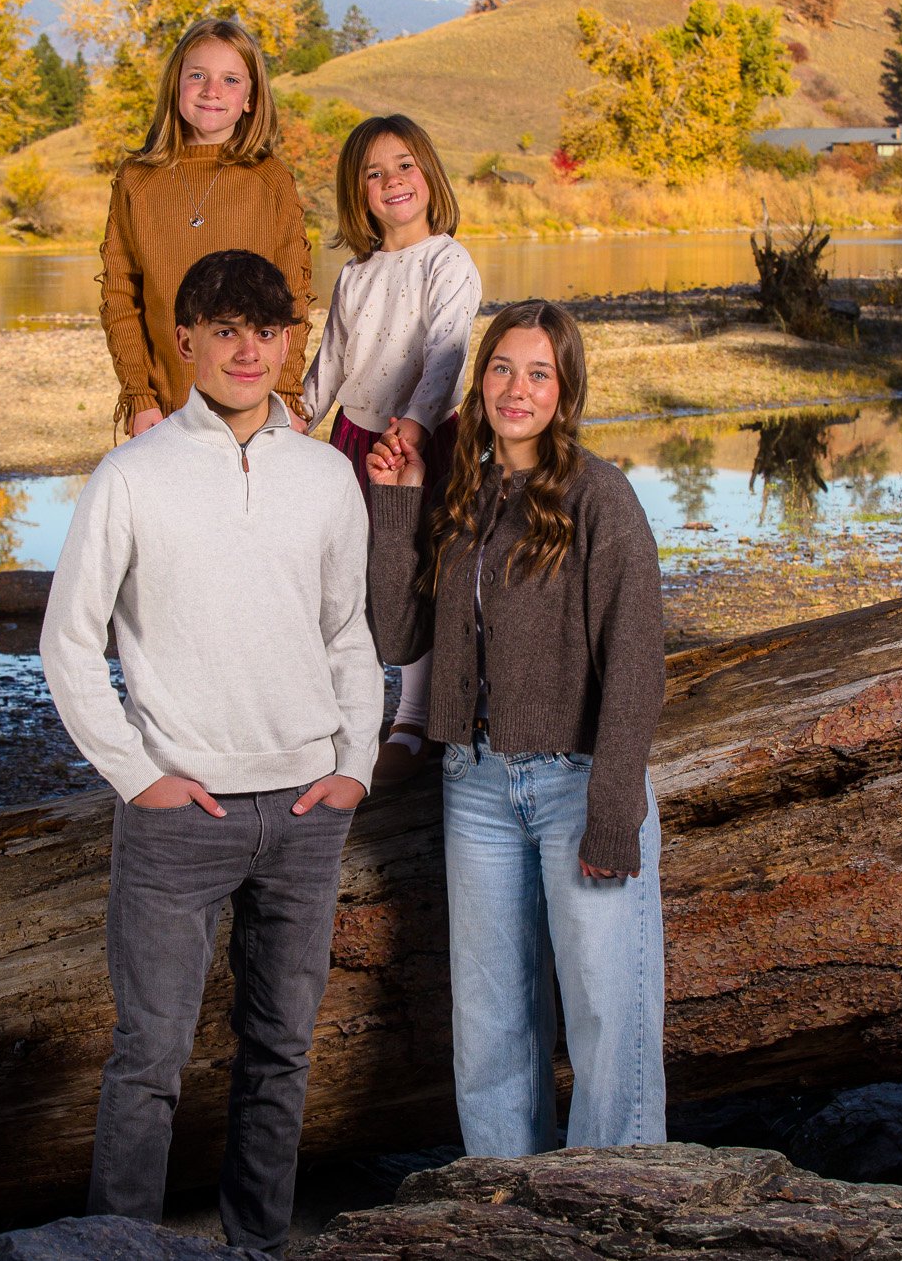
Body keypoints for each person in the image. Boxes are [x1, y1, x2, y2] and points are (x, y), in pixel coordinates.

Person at [40, 249, 381, 1255]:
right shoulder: (131, 477)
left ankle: (255, 1244)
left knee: (278, 1052)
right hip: (179, 819)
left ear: (288, 344)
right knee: (147, 1057)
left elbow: (346, 634)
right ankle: (117, 1247)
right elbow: (68, 641)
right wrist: (136, 775)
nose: (246, 350)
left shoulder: (324, 478)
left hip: (304, 813)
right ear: (183, 340)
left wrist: (354, 760)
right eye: (224, 330)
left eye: (266, 332)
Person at [363, 298, 668, 1158]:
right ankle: (503, 1210)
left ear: (566, 388)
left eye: (539, 372)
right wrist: (395, 510)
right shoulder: (464, 489)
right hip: (477, 785)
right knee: (492, 1023)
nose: (516, 388)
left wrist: (614, 811)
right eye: (501, 368)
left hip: (579, 784)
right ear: (481, 380)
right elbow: (399, 637)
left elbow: (638, 663)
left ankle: (621, 1207)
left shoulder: (602, 497)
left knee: (609, 1016)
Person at [302, 114, 482, 788]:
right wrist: (294, 420)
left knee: (416, 568)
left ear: (429, 172)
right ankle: (356, 710)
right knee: (353, 573)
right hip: (354, 437)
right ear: (359, 192)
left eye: (404, 164)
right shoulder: (356, 273)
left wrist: (413, 425)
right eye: (373, 173)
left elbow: (447, 352)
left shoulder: (447, 261)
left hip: (424, 440)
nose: (392, 181)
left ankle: (414, 714)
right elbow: (332, 361)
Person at [99, 18, 312, 439]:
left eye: (230, 79)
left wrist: (285, 394)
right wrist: (140, 397)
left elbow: (293, 297)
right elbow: (120, 296)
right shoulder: (136, 180)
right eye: (197, 75)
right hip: (166, 410)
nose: (212, 90)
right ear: (175, 85)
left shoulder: (270, 179)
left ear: (250, 98)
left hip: (254, 411)